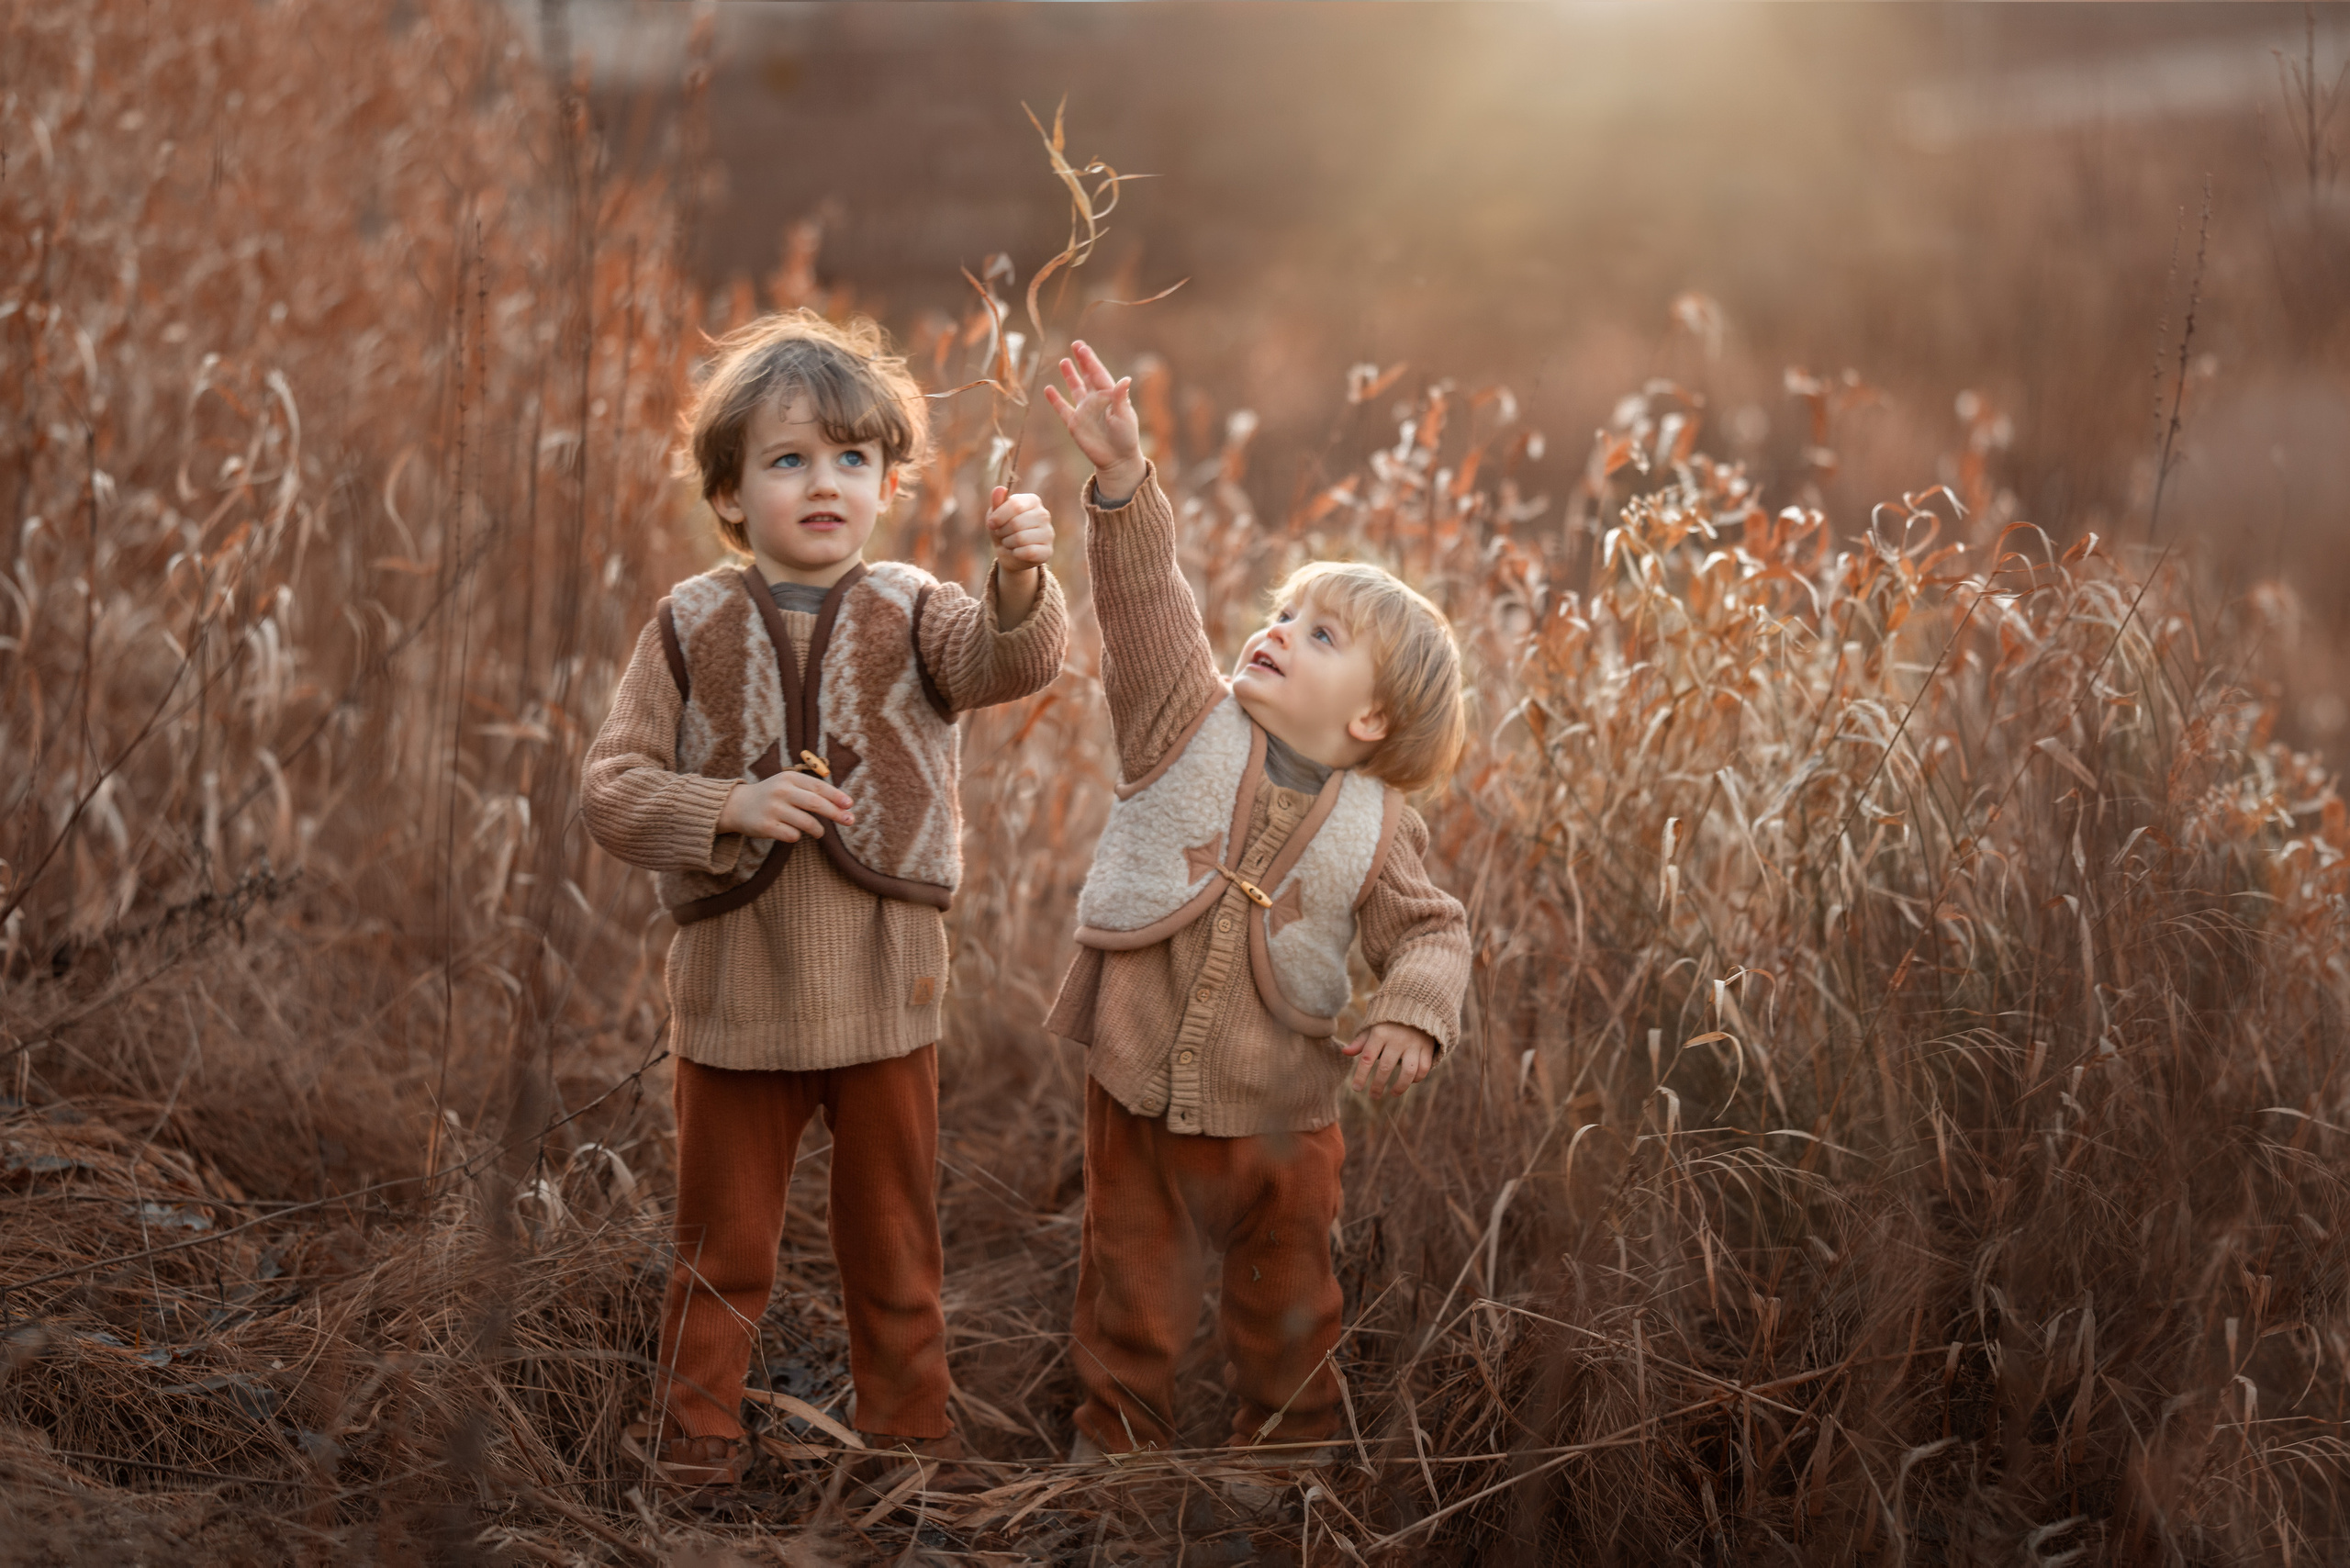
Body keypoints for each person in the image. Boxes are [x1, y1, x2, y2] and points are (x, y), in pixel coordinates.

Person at [580, 310, 1068, 1491]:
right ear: (733, 495)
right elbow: (611, 787)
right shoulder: (687, 623)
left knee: (893, 1237)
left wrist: (1020, 574)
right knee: (721, 1246)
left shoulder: (917, 608)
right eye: (788, 459)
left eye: (852, 459)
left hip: (884, 993)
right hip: (738, 999)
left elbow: (1012, 663)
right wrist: (724, 807)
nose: (824, 483)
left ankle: (910, 1434)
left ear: (889, 483)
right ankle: (695, 1438)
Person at [1041, 341, 1472, 1465]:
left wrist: (1408, 1012)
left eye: (1320, 635)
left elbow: (1431, 929)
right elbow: (1146, 608)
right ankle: (1117, 1450)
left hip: (1286, 1118)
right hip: (1139, 1089)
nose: (1275, 631)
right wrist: (1126, 486)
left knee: (1287, 1303)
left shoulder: (1377, 824)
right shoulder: (1183, 719)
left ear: (1370, 722)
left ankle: (1279, 1460)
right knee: (1127, 1286)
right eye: (1283, 613)